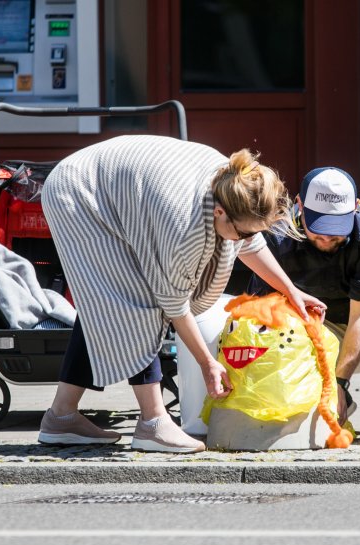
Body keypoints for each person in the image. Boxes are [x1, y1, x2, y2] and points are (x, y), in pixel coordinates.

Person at [37, 136, 325, 453]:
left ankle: (61, 416)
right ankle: (153, 423)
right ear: (218, 212)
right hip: (80, 194)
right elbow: (172, 303)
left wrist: (291, 291)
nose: (245, 239)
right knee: (134, 301)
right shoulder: (183, 225)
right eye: (242, 232)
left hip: (120, 187)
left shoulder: (234, 186)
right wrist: (207, 363)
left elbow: (247, 241)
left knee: (107, 302)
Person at [247, 167, 360, 440]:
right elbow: (259, 309)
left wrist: (340, 384)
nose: (326, 238)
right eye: (318, 229)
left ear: (355, 208)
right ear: (299, 205)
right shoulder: (276, 230)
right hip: (308, 338)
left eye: (335, 231)